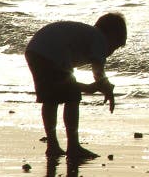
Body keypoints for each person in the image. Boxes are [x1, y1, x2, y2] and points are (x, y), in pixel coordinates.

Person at [24, 13, 127, 160]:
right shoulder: (99, 38)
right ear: (111, 35)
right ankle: (73, 146)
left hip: (35, 50)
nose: (111, 52)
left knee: (51, 98)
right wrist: (107, 89)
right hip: (51, 52)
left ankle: (53, 145)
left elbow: (66, 83)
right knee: (72, 98)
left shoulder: (87, 35)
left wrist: (91, 87)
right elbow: (98, 72)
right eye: (115, 46)